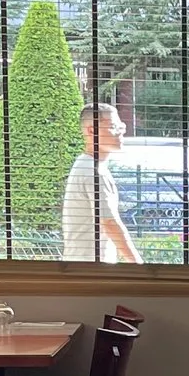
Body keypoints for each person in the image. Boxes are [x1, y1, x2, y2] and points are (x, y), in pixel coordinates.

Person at [60, 105, 140, 263]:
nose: (120, 131)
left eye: (120, 126)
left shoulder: (87, 165)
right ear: (91, 131)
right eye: (112, 126)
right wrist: (140, 267)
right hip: (90, 270)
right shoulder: (93, 171)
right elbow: (109, 222)